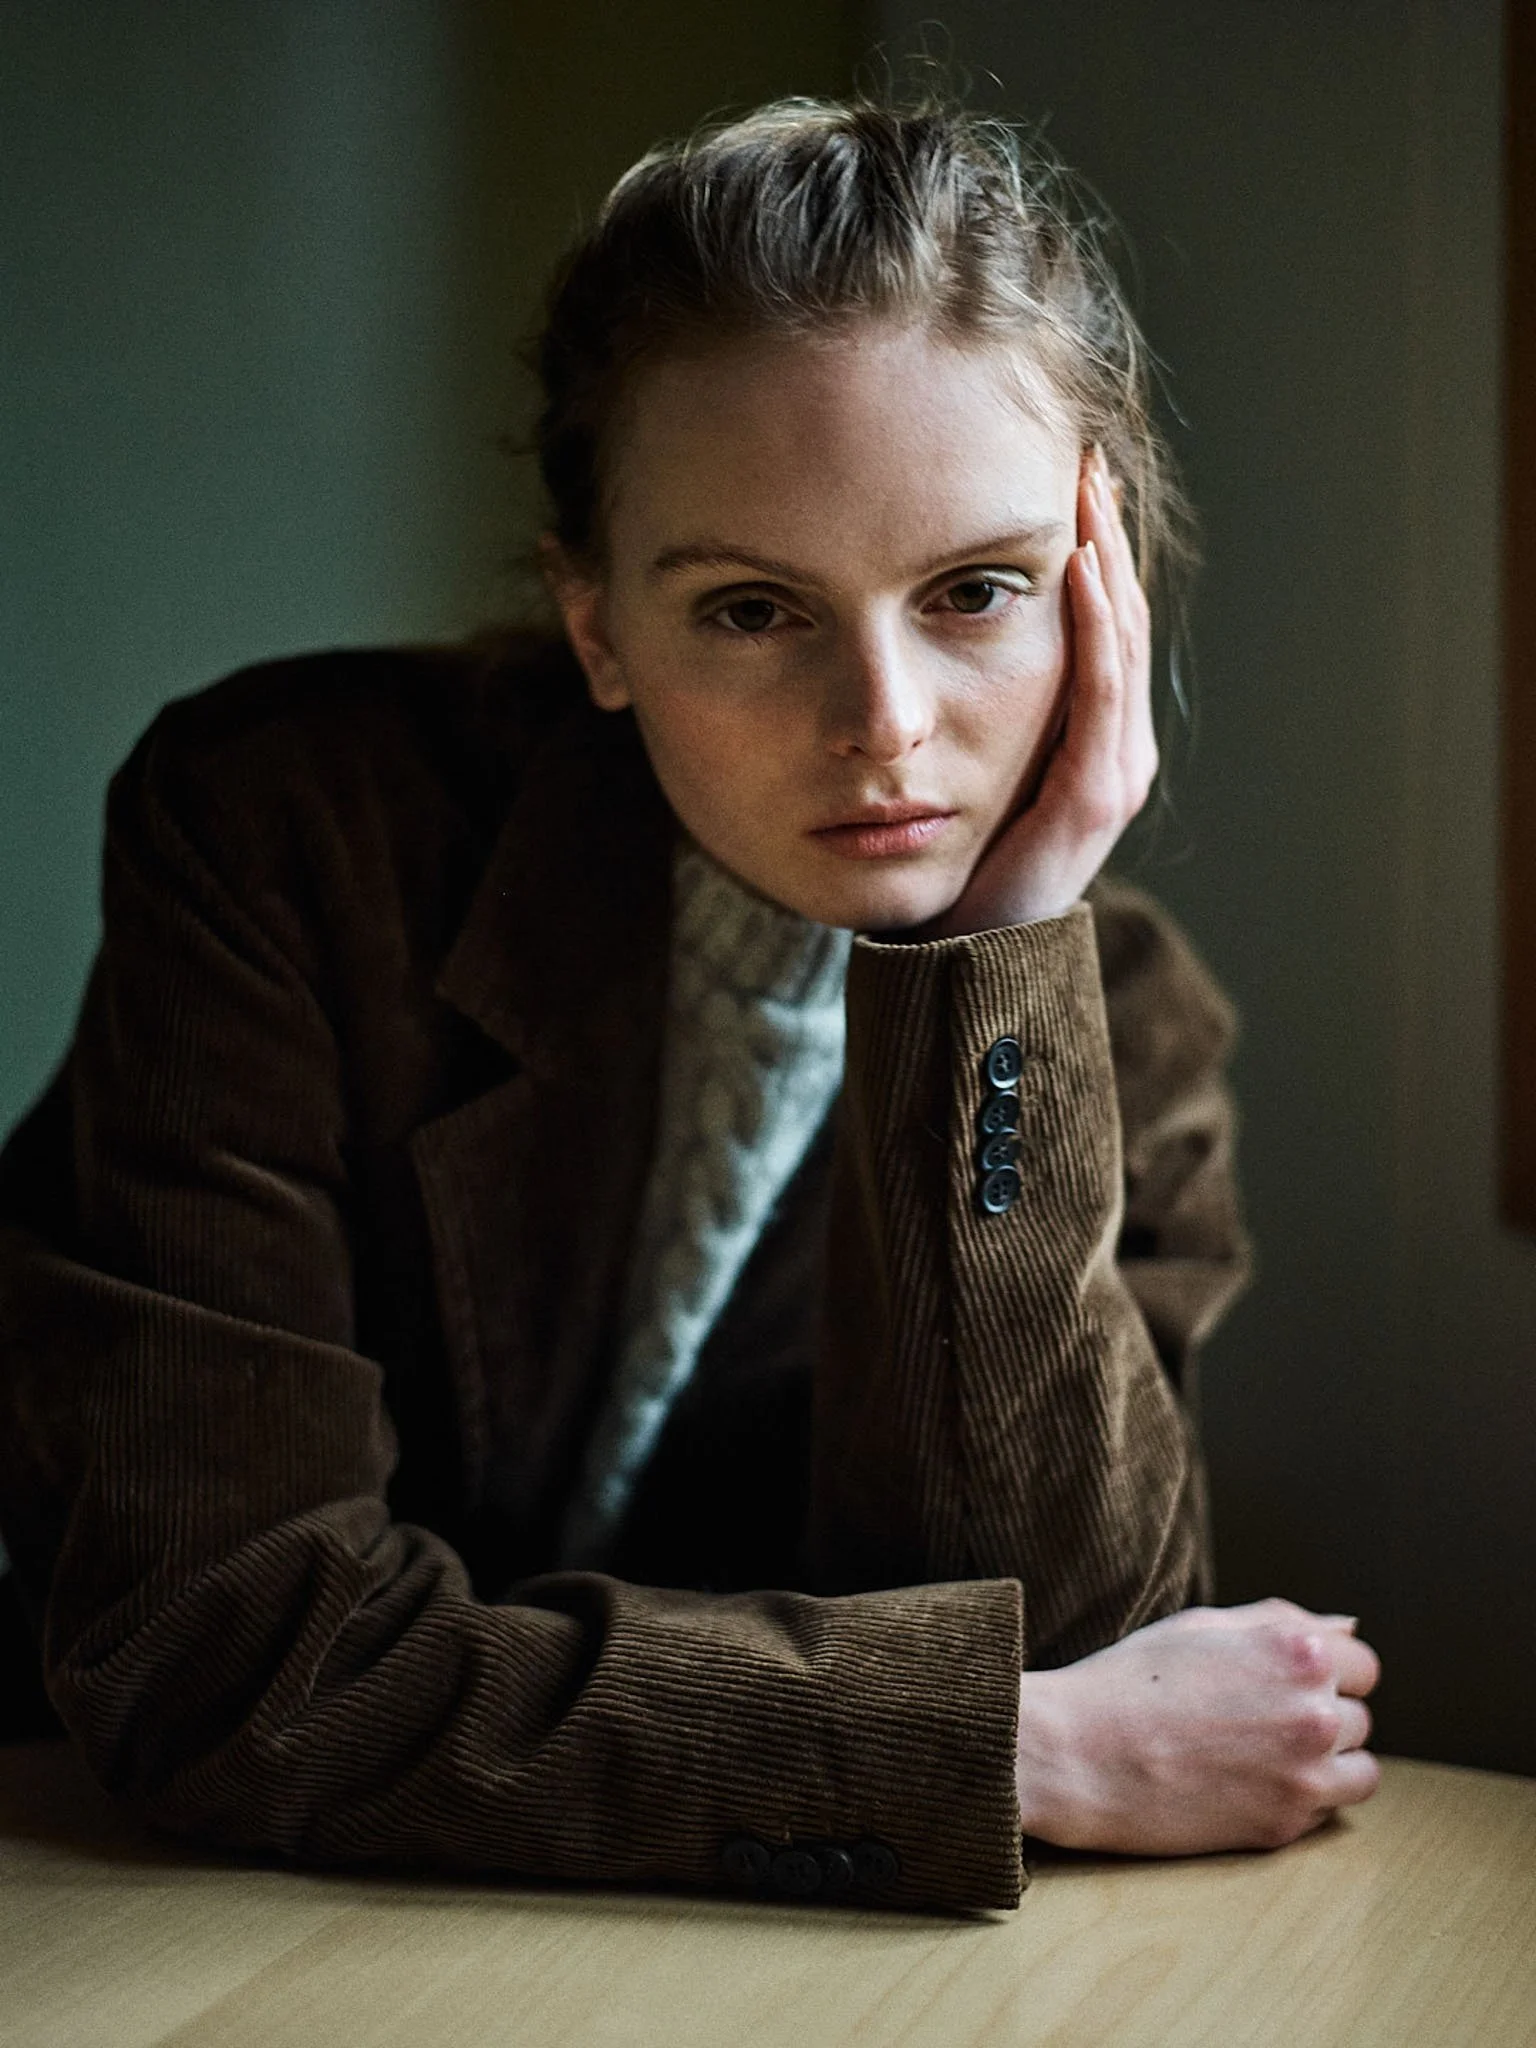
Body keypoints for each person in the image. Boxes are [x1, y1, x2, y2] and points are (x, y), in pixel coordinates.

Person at [0, 95, 1379, 1911]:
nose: (883, 719)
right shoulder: (285, 834)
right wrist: (1000, 1747)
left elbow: (1066, 1618)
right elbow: (229, 1651)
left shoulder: (1121, 1015)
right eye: (749, 611)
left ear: (1094, 599)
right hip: (173, 1912)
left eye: (977, 590)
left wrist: (993, 966)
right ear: (595, 626)